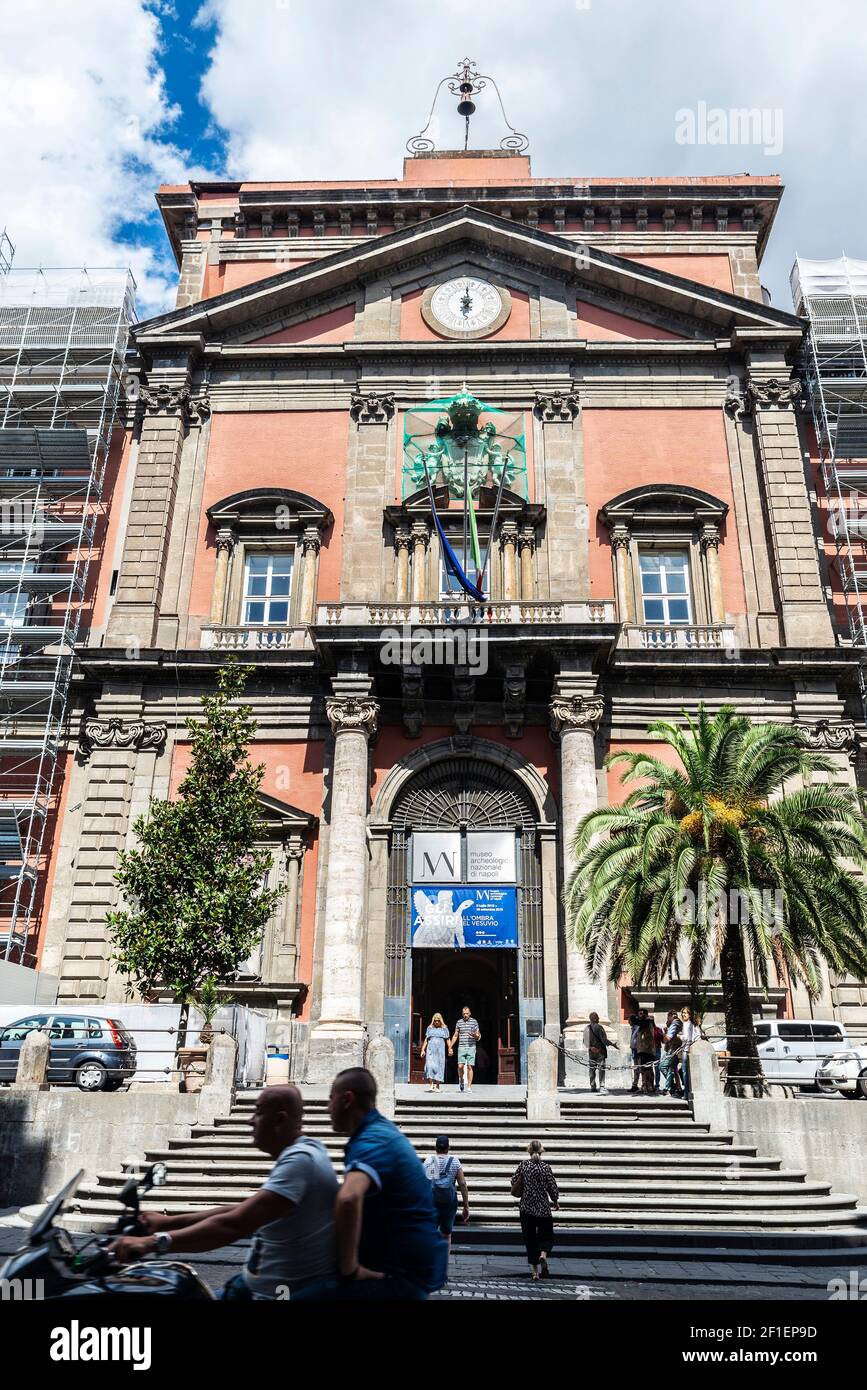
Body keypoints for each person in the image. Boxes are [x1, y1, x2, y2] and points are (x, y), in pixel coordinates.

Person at [109, 1085, 337, 1299]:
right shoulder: (307, 1151)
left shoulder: (300, 1162)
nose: (251, 1120)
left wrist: (150, 1243)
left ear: (279, 1119)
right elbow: (245, 1210)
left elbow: (232, 1226)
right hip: (250, 1287)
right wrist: (167, 1222)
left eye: (258, 1112)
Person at [293, 1067, 447, 1301]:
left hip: (397, 1276)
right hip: (404, 1267)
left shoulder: (373, 1139)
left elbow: (348, 1197)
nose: (327, 1108)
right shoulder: (378, 1132)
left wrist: (349, 1268)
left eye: (330, 1099)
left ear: (347, 1099)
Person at [511, 1139, 560, 1281]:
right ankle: (543, 1255)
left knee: (530, 1240)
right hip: (543, 1208)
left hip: (526, 1208)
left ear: (529, 1150)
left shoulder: (524, 1165)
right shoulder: (545, 1167)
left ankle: (534, 1272)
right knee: (547, 1235)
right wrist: (555, 1200)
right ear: (541, 1151)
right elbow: (552, 1186)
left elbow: (513, 1181)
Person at [423, 1135, 469, 1259]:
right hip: (449, 1202)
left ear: (435, 1147)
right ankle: (443, 1266)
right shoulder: (454, 1161)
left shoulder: (429, 1161)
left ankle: (430, 1263)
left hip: (432, 1201)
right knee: (446, 1235)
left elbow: (426, 1183)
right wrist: (466, 1206)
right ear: (448, 1148)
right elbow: (462, 1184)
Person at [583, 1011, 618, 1094]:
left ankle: (592, 1086)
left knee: (592, 1069)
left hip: (591, 1052)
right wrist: (612, 1044)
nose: (598, 1019)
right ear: (594, 1019)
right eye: (597, 1017)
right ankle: (602, 1086)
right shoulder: (599, 1027)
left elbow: (585, 1041)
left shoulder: (586, 1028)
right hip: (600, 1051)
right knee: (601, 1069)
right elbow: (604, 1040)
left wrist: (591, 1048)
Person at [450, 1005, 481, 1092]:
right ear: (462, 1014)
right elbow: (456, 1035)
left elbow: (478, 1035)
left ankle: (469, 1087)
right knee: (460, 1066)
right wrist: (450, 1046)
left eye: (467, 1013)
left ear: (470, 1013)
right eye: (464, 1014)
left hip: (471, 1047)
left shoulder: (474, 1022)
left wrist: (475, 1035)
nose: (465, 1015)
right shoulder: (459, 1022)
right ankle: (462, 1080)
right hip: (462, 1047)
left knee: (470, 1067)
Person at [420, 1011, 451, 1092]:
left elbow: (448, 1039)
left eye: (438, 1020)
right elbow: (426, 1039)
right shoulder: (429, 1028)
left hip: (440, 1051)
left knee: (439, 1067)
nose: (436, 1022)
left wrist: (450, 1048)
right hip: (430, 1050)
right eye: (435, 1020)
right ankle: (431, 1085)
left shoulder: (444, 1029)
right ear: (433, 1020)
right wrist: (423, 1049)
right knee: (429, 1066)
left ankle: (437, 1086)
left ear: (441, 1021)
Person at [679, 1006, 705, 1099]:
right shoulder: (694, 1024)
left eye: (685, 1013)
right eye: (682, 1013)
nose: (683, 1014)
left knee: (685, 1071)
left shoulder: (686, 1024)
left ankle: (686, 1093)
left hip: (687, 1050)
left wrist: (679, 1036)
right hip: (692, 1050)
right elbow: (698, 1036)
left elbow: (686, 1038)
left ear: (689, 1015)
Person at [659, 1009, 683, 1097]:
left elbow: (667, 1039)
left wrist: (664, 1034)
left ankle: (670, 1087)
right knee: (671, 1069)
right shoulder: (678, 1023)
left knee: (663, 1066)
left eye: (668, 1017)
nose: (667, 1020)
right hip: (676, 1049)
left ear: (670, 1016)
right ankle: (672, 1088)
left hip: (674, 1050)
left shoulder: (675, 1023)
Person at [634, 1009, 657, 1095]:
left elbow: (635, 1020)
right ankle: (649, 1086)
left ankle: (646, 1087)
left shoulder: (646, 1022)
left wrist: (635, 1018)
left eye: (641, 1014)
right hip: (645, 1049)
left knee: (645, 1068)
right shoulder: (647, 1022)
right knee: (647, 1068)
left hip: (646, 1049)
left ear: (645, 1014)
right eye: (639, 1014)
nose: (639, 1016)